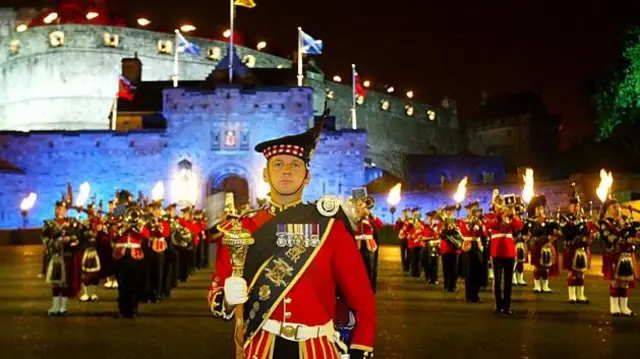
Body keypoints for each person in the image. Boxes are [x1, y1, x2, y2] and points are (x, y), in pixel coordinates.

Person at [207, 121, 375, 358]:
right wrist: (226, 298)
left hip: (317, 346)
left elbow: (362, 298)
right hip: (261, 344)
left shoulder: (330, 228)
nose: (286, 171)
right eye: (278, 164)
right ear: (265, 174)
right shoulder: (242, 228)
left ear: (307, 176)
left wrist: (361, 346)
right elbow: (218, 290)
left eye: (295, 164)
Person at [598, 198, 639, 316]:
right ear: (608, 209)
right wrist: (627, 239)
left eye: (617, 206)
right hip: (613, 254)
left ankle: (624, 307)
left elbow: (633, 233)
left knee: (625, 282)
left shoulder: (626, 220)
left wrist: (636, 235)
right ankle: (614, 307)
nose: (617, 208)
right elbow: (610, 239)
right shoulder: (604, 223)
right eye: (614, 207)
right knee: (616, 281)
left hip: (626, 254)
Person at [42, 200, 82, 315]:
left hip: (68, 256)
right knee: (55, 282)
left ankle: (63, 307)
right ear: (55, 210)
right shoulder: (49, 224)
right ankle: (55, 306)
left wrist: (70, 239)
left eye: (63, 209)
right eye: (58, 209)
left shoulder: (72, 222)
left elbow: (79, 234)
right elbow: (44, 238)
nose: (60, 211)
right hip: (55, 256)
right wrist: (54, 241)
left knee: (66, 282)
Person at [485, 196, 523, 315]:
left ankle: (507, 306)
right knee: (497, 280)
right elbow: (490, 225)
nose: (500, 205)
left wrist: (512, 215)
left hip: (509, 252)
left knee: (508, 281)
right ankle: (499, 305)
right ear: (494, 204)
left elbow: (519, 226)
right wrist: (500, 215)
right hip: (496, 252)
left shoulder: (510, 216)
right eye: (498, 203)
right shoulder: (490, 216)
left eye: (501, 203)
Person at [560, 188, 594, 304]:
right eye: (574, 205)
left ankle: (580, 295)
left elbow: (587, 233)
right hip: (571, 248)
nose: (576, 207)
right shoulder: (565, 218)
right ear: (570, 206)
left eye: (577, 205)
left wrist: (590, 234)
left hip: (581, 249)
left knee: (580, 273)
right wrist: (579, 225)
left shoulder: (584, 219)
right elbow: (567, 233)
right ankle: (572, 295)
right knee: (572, 272)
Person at [525, 195, 560, 294]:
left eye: (541, 208)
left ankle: (545, 286)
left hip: (546, 246)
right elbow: (530, 233)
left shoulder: (547, 221)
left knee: (545, 267)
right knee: (537, 266)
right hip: (537, 245)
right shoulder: (531, 221)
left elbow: (555, 231)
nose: (539, 210)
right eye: (537, 208)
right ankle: (537, 285)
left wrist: (551, 238)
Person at [352, 192, 383, 293]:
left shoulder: (369, 216)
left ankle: (370, 288)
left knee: (370, 267)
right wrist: (358, 216)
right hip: (357, 245)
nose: (360, 206)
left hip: (369, 244)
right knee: (357, 268)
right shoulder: (353, 217)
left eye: (362, 204)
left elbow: (380, 225)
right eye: (359, 204)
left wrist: (370, 214)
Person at [460, 201, 486, 303]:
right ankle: (469, 295)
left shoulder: (480, 221)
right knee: (469, 271)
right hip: (468, 245)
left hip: (477, 245)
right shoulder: (464, 221)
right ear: (467, 210)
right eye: (471, 209)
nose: (473, 211)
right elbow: (464, 231)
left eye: (475, 209)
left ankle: (476, 293)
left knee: (478, 270)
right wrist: (471, 223)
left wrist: (479, 224)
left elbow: (483, 233)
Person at [439, 204, 463, 292]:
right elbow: (440, 234)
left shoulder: (457, 221)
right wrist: (445, 229)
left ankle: (453, 286)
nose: (449, 213)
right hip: (445, 248)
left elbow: (460, 233)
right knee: (446, 268)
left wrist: (454, 228)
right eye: (448, 211)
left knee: (454, 269)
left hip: (454, 248)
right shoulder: (442, 223)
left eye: (451, 211)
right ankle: (446, 286)